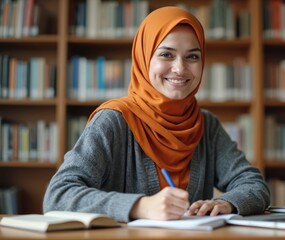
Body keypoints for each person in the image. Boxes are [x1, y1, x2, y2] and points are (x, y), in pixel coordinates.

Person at [43, 6, 270, 223]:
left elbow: (254, 184)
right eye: (166, 55)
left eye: (192, 56)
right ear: (144, 58)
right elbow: (58, 197)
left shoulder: (206, 125)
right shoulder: (114, 120)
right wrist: (140, 206)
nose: (180, 68)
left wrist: (227, 203)